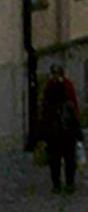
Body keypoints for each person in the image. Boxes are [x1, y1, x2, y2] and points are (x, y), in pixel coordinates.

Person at [35, 61, 83, 193]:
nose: (55, 77)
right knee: (58, 160)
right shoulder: (53, 90)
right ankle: (60, 183)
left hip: (63, 132)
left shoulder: (64, 89)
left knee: (66, 160)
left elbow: (73, 111)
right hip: (58, 133)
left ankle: (67, 183)